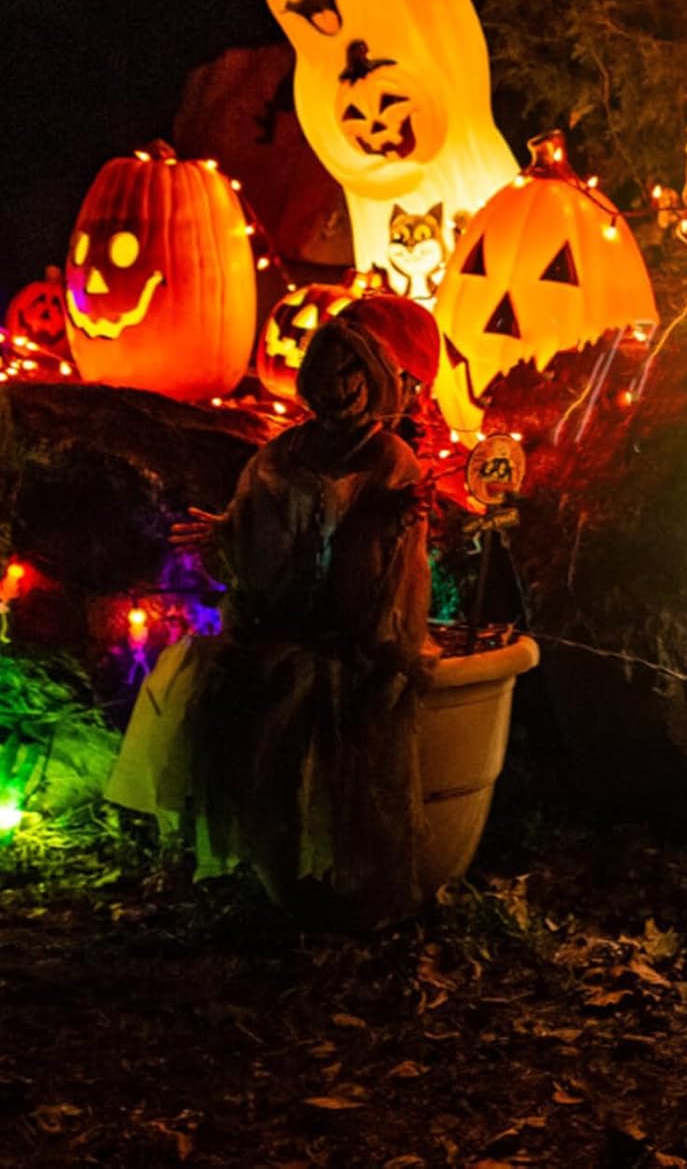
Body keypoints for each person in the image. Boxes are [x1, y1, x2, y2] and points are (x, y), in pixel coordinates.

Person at [107, 296, 441, 926]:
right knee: (269, 747)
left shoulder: (391, 459)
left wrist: (380, 535)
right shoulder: (281, 455)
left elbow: (394, 566)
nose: (340, 388)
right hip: (283, 632)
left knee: (353, 767)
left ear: (374, 380)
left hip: (354, 638)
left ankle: (357, 894)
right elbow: (262, 526)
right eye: (329, 371)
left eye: (353, 373)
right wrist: (230, 533)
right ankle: (284, 883)